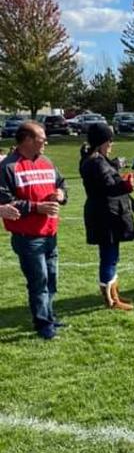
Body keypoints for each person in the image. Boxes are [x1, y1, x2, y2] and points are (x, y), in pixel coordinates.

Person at [0, 121, 67, 339]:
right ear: (28, 140)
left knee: (52, 278)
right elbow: (5, 202)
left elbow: (61, 184)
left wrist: (61, 194)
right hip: (27, 236)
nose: (45, 142)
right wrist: (37, 207)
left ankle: (49, 315)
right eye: (41, 138)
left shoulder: (46, 162)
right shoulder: (9, 167)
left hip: (50, 231)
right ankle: (42, 322)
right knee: (39, 280)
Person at [79, 122, 134, 311]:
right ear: (101, 142)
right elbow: (107, 186)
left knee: (111, 255)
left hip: (103, 212)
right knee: (109, 256)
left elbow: (107, 176)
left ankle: (114, 294)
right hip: (105, 214)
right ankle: (110, 300)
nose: (111, 144)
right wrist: (126, 186)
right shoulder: (96, 161)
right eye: (109, 141)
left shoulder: (93, 159)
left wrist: (117, 168)